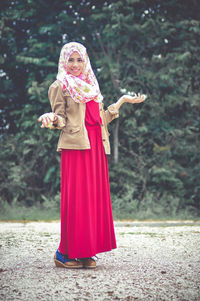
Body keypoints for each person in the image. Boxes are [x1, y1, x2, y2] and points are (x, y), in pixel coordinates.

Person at [38, 42, 146, 269]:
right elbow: (61, 119)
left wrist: (122, 101)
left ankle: (86, 251)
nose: (75, 65)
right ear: (63, 61)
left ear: (85, 60)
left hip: (96, 148)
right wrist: (52, 118)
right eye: (71, 60)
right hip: (76, 149)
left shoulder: (91, 86)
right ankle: (64, 253)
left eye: (79, 59)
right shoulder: (60, 86)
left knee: (91, 201)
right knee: (76, 201)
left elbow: (98, 122)